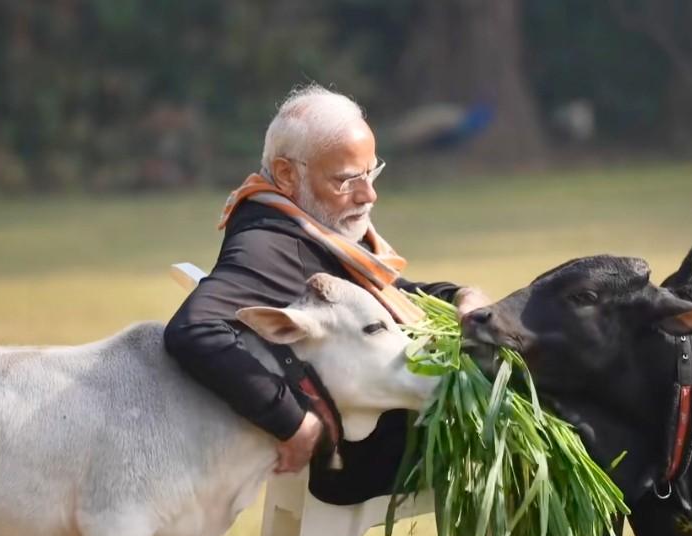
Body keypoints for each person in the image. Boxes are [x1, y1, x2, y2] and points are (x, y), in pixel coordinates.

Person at [164, 85, 488, 503]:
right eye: (347, 180)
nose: (369, 195)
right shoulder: (269, 245)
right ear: (286, 174)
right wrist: (293, 421)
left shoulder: (305, 225)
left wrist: (461, 296)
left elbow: (386, 296)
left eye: (371, 173)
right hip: (357, 459)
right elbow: (193, 327)